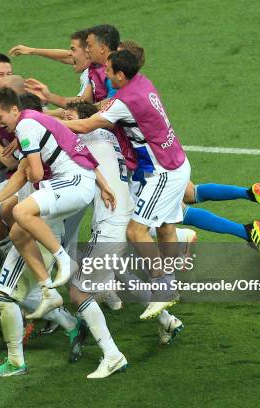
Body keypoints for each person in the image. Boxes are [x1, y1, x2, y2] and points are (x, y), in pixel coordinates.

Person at [63, 50, 189, 320]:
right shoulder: (142, 82)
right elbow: (107, 105)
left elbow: (85, 126)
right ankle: (168, 285)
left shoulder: (125, 101)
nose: (105, 75)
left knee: (136, 232)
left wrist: (47, 121)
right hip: (177, 162)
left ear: (121, 74)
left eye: (109, 71)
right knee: (166, 228)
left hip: (162, 171)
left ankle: (163, 290)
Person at [0, 87, 115, 318]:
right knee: (19, 233)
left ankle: (64, 261)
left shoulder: (25, 126)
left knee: (21, 211)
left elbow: (35, 174)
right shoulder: (34, 122)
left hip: (74, 182)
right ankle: (48, 291)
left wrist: (29, 171)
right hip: (78, 180)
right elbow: (73, 149)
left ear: (14, 110)